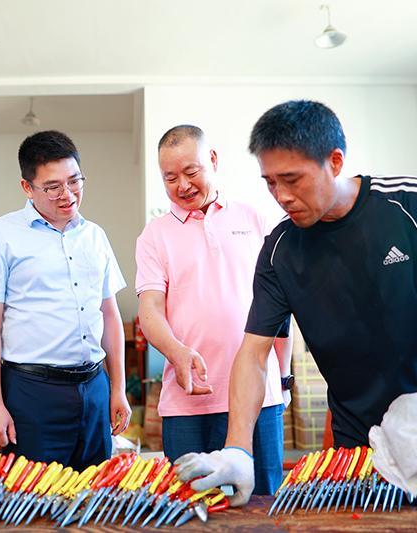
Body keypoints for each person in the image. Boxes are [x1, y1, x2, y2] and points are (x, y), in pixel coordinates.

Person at [175, 100, 417, 505]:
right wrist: (238, 449)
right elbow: (253, 353)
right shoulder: (280, 251)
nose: (282, 196)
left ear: (334, 162)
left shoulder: (413, 203)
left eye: (292, 179)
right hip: (366, 442)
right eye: (270, 183)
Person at [0, 130, 130, 469]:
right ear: (28, 187)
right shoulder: (0, 236)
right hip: (32, 392)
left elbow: (109, 315)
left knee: (95, 491)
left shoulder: (95, 237)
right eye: (53, 187)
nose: (67, 194)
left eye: (74, 181)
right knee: (35, 493)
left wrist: (118, 389)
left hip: (94, 387)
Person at [135, 125, 291, 495]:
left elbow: (281, 307)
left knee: (262, 503)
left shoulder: (256, 220)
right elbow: (150, 310)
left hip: (259, 396)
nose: (182, 185)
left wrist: (283, 379)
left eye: (191, 172)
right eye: (170, 178)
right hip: (189, 399)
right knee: (191, 504)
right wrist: (177, 352)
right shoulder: (155, 235)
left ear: (213, 160)